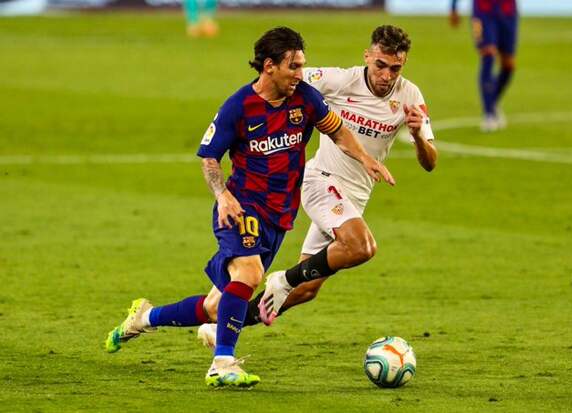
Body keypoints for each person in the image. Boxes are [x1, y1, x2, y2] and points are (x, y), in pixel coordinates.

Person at [104, 26, 394, 389]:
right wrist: (222, 195)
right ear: (269, 66)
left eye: (302, 66)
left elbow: (335, 130)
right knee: (250, 274)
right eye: (293, 66)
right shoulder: (239, 106)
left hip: (278, 215)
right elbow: (210, 157)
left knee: (216, 307)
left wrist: (366, 158)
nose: (300, 74)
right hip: (241, 208)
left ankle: (144, 317)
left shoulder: (305, 98)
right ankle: (222, 363)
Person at [195, 24, 437, 343]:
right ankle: (282, 280)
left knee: (306, 289)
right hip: (320, 181)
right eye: (381, 65)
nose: (387, 75)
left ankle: (223, 325)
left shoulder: (410, 96)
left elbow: (430, 162)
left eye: (395, 68)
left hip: (354, 197)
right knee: (361, 246)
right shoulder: (338, 80)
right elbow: (280, 81)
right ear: (367, 56)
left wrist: (418, 135)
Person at [450, 0, 518, 132]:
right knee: (488, 55)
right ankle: (489, 114)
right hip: (483, 11)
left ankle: (492, 101)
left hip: (507, 10)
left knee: (509, 65)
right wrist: (454, 7)